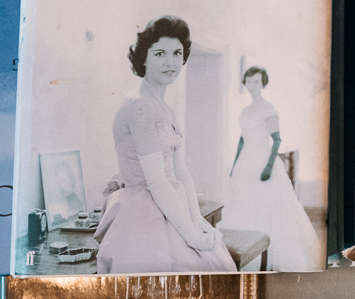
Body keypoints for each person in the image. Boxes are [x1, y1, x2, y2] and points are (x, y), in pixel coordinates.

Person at [93, 16, 234, 275]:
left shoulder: (165, 108)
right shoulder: (139, 105)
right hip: (144, 211)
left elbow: (180, 172)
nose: (170, 62)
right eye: (160, 53)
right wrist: (191, 235)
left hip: (172, 202)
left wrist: (197, 219)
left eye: (177, 53)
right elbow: (157, 182)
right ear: (143, 58)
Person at [221, 65, 323, 271]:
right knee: (243, 206)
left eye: (256, 82)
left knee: (269, 208)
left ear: (263, 83)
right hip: (245, 163)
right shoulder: (246, 110)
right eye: (249, 82)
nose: (252, 86)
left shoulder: (268, 108)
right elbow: (242, 140)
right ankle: (244, 253)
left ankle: (268, 256)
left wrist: (268, 167)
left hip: (263, 161)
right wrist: (233, 166)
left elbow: (276, 140)